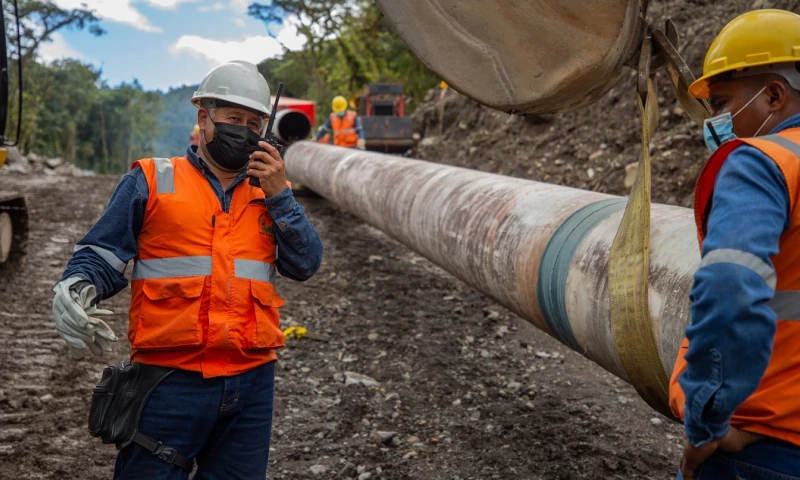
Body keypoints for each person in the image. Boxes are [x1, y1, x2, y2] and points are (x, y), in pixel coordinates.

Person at [50, 60, 323, 479]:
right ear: (204, 118)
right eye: (234, 119)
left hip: (251, 383)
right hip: (169, 382)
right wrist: (78, 282)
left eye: (254, 123)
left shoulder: (270, 194)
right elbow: (103, 252)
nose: (244, 131)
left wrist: (281, 197)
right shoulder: (152, 180)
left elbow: (306, 264)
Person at [668, 9, 800, 480]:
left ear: (773, 95)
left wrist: (708, 424)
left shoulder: (764, 162)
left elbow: (731, 288)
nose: (715, 121)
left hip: (766, 449)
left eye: (721, 103)